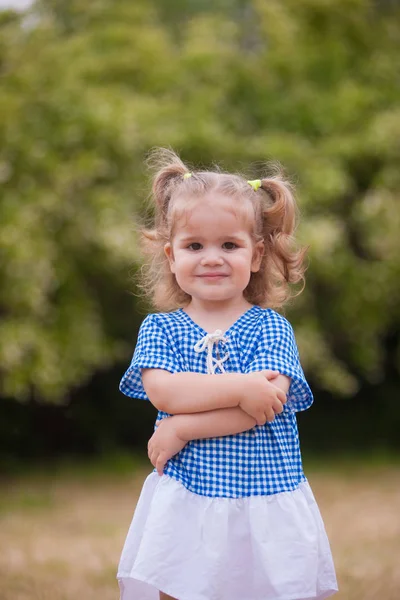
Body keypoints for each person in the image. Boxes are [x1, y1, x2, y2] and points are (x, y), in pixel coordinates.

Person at [117, 148, 338, 600]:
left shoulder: (270, 327)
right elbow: (164, 392)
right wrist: (241, 386)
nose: (212, 258)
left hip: (263, 493)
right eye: (194, 246)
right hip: (188, 491)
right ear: (172, 256)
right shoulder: (161, 328)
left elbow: (264, 406)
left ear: (256, 256)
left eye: (229, 245)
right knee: (179, 584)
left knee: (263, 588)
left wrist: (184, 429)